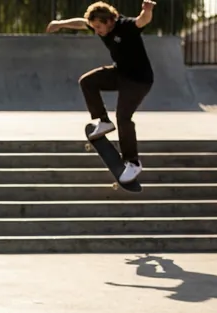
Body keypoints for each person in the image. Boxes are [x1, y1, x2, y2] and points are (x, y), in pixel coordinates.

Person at [47, 1, 156, 183]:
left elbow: (142, 21)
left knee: (123, 116)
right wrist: (61, 24)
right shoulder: (99, 26)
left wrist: (147, 10)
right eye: (94, 27)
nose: (97, 31)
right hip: (120, 73)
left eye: (99, 27)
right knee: (88, 81)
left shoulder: (125, 26)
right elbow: (82, 22)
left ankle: (133, 162)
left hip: (139, 80)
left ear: (110, 20)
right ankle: (103, 121)